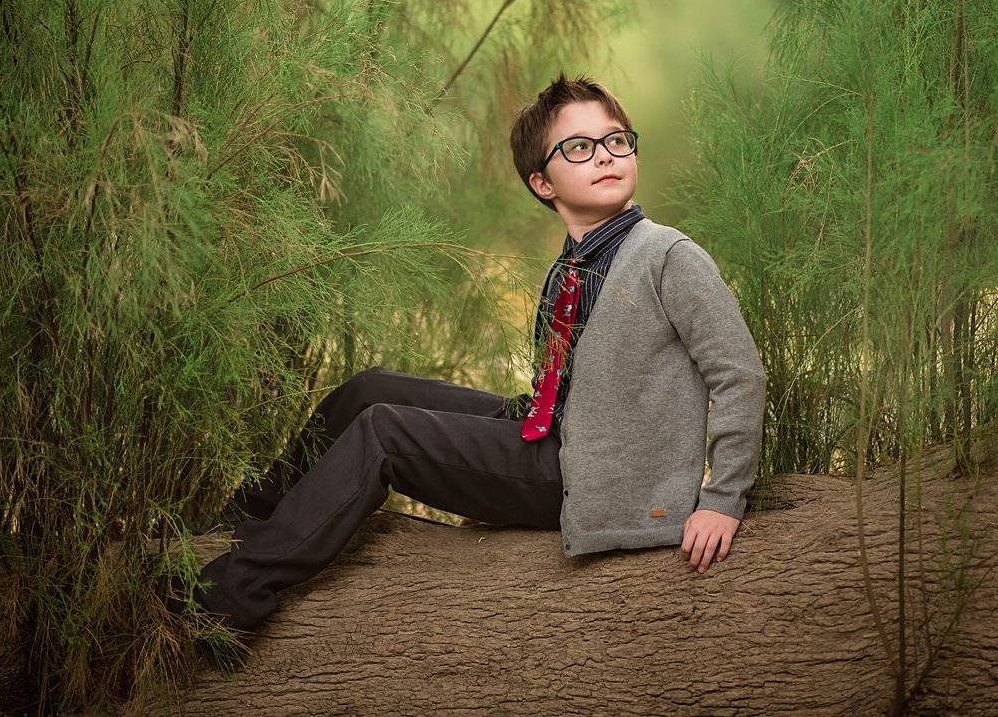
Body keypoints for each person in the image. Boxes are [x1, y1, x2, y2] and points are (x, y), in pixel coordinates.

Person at [175, 73, 766, 635]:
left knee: (384, 432)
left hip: (591, 475)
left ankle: (231, 594)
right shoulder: (575, 262)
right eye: (580, 147)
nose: (605, 156)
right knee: (369, 389)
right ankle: (237, 525)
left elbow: (738, 375)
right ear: (543, 183)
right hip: (555, 428)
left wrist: (722, 499)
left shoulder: (668, 257)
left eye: (616, 140)